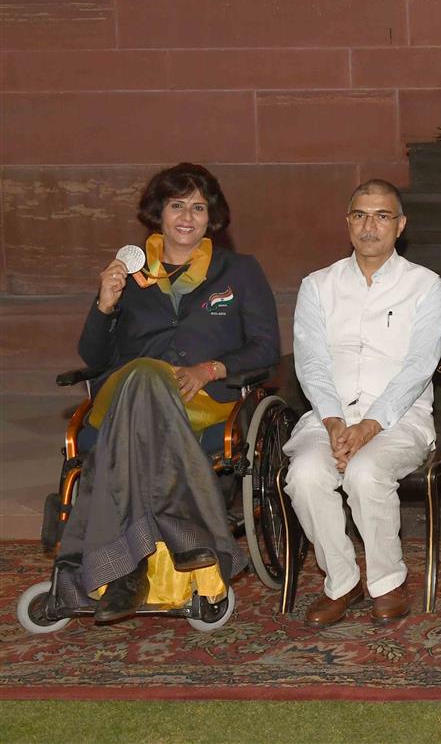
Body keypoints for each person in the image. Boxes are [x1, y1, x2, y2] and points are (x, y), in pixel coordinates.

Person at [58, 163, 280, 623]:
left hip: (201, 402)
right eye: (177, 204)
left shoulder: (238, 271)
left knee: (147, 395)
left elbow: (266, 348)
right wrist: (104, 304)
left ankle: (125, 571)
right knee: (144, 373)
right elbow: (92, 356)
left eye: (198, 207)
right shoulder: (129, 274)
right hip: (122, 397)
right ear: (157, 212)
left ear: (211, 217)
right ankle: (187, 533)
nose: (187, 216)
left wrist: (211, 367)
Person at [285, 179, 441, 628]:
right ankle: (341, 581)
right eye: (360, 215)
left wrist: (370, 425)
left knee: (364, 470)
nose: (369, 226)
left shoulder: (425, 285)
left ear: (400, 225)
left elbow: (419, 365)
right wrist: (335, 421)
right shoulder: (318, 286)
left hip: (400, 419)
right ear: (348, 223)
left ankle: (388, 582)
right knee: (304, 473)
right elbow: (311, 360)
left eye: (382, 216)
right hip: (328, 416)